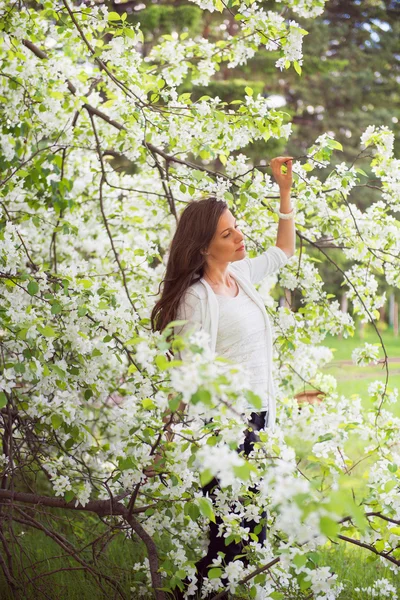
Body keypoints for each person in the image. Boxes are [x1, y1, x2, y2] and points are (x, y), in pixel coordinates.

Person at [150, 156, 295, 598]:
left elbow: (283, 252)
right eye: (227, 234)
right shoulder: (197, 299)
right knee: (237, 535)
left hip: (258, 418)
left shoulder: (241, 277)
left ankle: (198, 593)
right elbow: (188, 374)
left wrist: (284, 192)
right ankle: (188, 593)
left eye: (237, 228)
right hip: (223, 427)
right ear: (202, 248)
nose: (239, 237)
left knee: (243, 535)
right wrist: (169, 438)